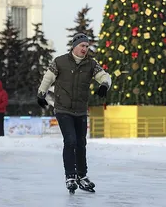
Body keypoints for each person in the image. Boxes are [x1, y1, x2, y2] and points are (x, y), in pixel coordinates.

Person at [37, 33, 111, 193]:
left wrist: (105, 84)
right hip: (63, 108)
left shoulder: (91, 64)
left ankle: (82, 176)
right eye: (82, 46)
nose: (85, 49)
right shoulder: (60, 61)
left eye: (87, 46)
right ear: (74, 46)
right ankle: (70, 176)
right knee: (70, 141)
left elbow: (104, 75)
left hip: (80, 110)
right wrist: (41, 93)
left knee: (81, 143)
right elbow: (48, 78)